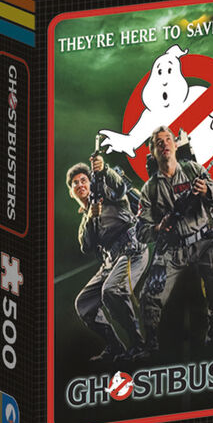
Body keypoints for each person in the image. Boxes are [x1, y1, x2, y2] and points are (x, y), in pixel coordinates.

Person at [136, 126, 213, 354]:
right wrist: (158, 227)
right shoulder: (149, 189)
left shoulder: (193, 170)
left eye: (168, 139)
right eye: (158, 142)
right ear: (153, 151)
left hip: (203, 241)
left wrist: (206, 191)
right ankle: (151, 343)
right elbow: (141, 231)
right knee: (150, 294)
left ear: (176, 145)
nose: (164, 144)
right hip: (172, 248)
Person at [66, 154, 147, 361]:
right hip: (111, 261)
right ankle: (115, 347)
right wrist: (90, 217)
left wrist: (104, 170)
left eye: (83, 180)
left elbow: (120, 188)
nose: (80, 185)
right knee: (84, 304)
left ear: (91, 183)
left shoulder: (108, 193)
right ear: (71, 192)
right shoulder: (85, 220)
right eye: (75, 183)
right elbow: (86, 246)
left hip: (132, 250)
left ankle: (139, 346)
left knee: (111, 290)